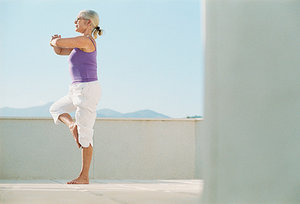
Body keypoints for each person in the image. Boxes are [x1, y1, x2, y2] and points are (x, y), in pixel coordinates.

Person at [49, 10, 102, 184]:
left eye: (78, 19)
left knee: (85, 134)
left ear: (88, 23)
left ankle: (84, 176)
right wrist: (56, 44)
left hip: (87, 90)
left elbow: (58, 42)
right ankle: (72, 125)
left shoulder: (85, 41)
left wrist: (54, 41)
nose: (75, 22)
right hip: (76, 89)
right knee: (56, 108)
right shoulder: (79, 43)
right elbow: (60, 50)